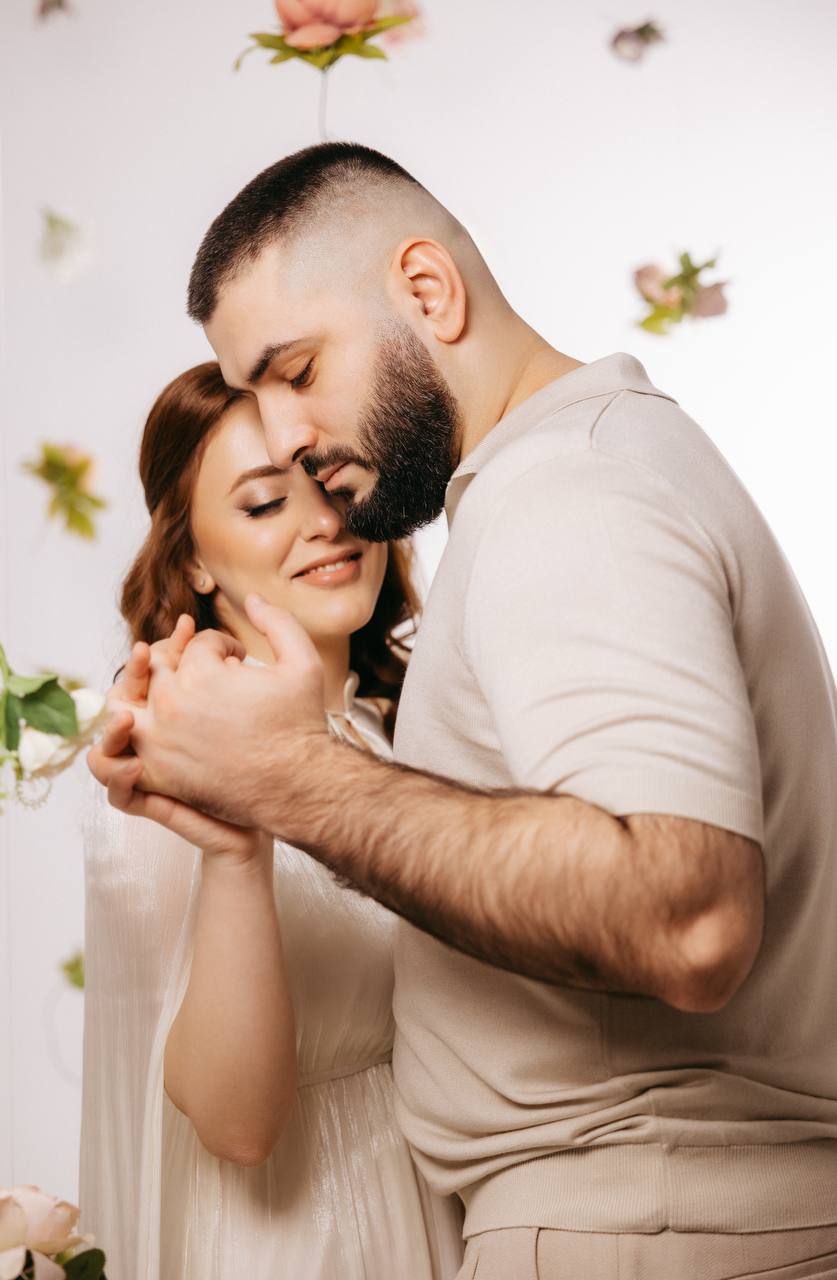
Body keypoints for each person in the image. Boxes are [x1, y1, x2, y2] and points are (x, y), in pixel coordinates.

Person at [90, 144, 837, 1279]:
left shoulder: (567, 494)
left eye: (297, 370)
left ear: (428, 290)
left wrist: (285, 775)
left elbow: (688, 920)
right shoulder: (587, 468)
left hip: (640, 1224)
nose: (288, 438)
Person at [79, 362, 464, 1280]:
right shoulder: (171, 760)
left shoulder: (396, 731)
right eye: (262, 504)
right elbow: (236, 1126)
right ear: (192, 560)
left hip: (439, 1215)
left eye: (332, 483)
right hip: (303, 1242)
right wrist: (237, 851)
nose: (324, 523)